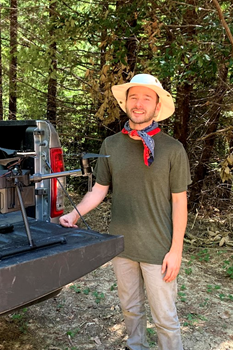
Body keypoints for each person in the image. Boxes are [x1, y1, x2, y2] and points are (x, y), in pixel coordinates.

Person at [60, 73, 191, 350]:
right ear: (126, 103)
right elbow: (98, 190)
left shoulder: (173, 149)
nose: (139, 104)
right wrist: (74, 214)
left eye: (147, 98)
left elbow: (180, 202)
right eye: (134, 97)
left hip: (159, 250)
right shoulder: (111, 145)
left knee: (165, 320)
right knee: (131, 310)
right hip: (121, 246)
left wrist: (176, 250)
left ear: (157, 106)